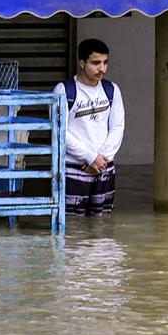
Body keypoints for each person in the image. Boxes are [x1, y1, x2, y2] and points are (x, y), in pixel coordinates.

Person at [56, 38, 124, 214]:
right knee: (72, 228)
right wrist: (90, 157)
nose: (102, 68)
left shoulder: (112, 90)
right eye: (96, 63)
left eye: (105, 62)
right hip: (73, 168)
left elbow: (117, 127)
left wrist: (101, 160)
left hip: (104, 168)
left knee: (103, 227)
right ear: (82, 63)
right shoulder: (64, 90)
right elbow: (59, 132)